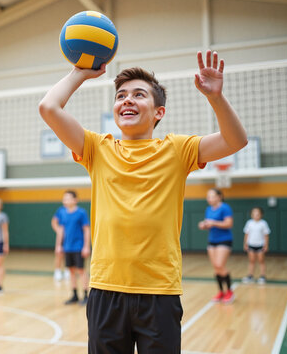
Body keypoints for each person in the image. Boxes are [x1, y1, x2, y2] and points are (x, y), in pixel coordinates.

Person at [39, 50, 247, 353]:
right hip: (106, 289)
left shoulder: (178, 149)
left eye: (139, 95)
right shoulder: (97, 149)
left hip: (159, 291)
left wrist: (215, 97)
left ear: (158, 112)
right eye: (120, 95)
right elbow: (49, 107)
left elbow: (235, 140)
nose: (127, 100)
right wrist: (81, 73)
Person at [53, 190, 91, 305]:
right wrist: (59, 245)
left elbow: (86, 230)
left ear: (75, 200)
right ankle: (74, 294)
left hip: (78, 247)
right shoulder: (62, 212)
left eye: (68, 198)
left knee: (81, 270)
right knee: (71, 270)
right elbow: (61, 230)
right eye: (64, 199)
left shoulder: (81, 213)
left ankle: (85, 295)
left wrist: (86, 246)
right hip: (67, 247)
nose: (66, 201)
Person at [198, 188, 235, 303]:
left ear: (219, 197)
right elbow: (209, 223)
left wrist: (213, 223)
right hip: (212, 240)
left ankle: (229, 291)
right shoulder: (208, 209)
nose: (209, 198)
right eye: (208, 196)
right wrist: (204, 225)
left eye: (212, 196)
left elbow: (229, 224)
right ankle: (221, 292)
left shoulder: (225, 207)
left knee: (220, 265)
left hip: (224, 240)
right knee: (215, 267)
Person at [242, 207, 271, 284]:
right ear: (251, 215)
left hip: (260, 245)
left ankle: (262, 276)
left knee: (261, 261)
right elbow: (246, 234)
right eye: (254, 213)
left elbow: (266, 235)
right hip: (251, 245)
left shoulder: (263, 223)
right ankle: (250, 276)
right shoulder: (249, 223)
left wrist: (266, 245)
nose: (256, 215)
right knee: (251, 261)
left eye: (258, 213)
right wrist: (245, 244)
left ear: (261, 214)